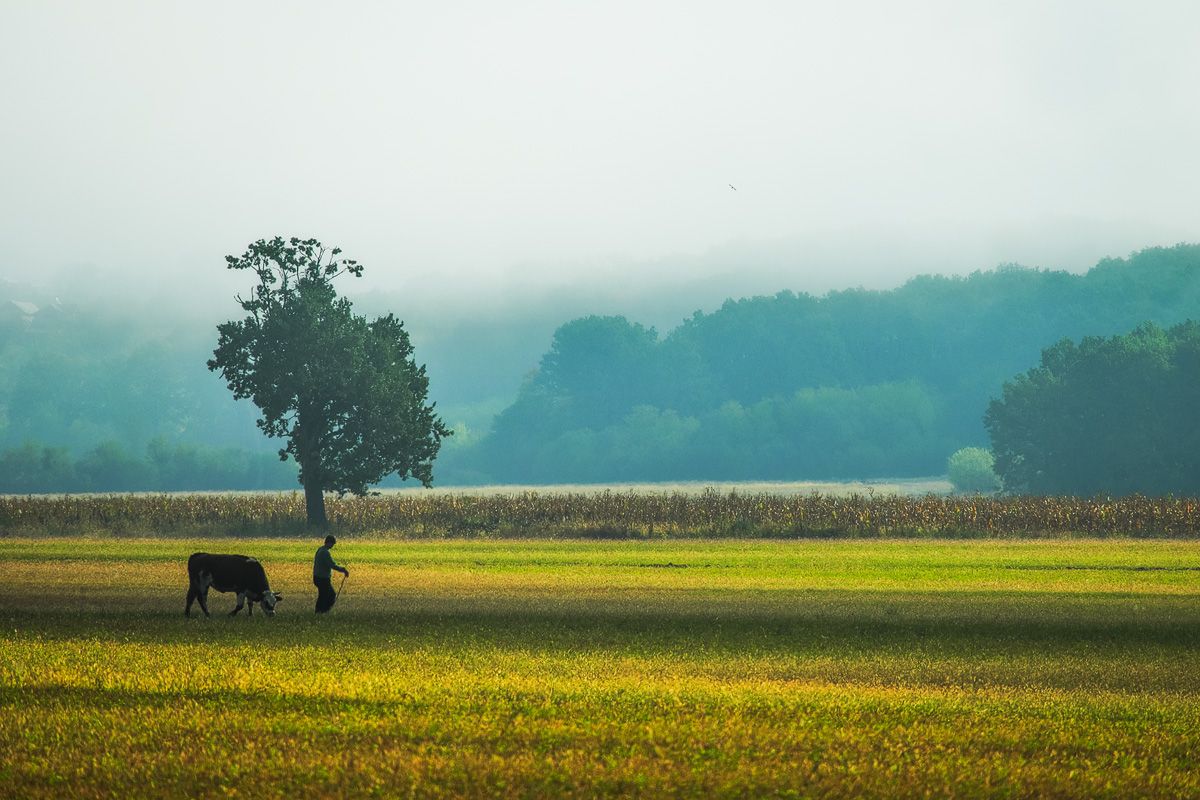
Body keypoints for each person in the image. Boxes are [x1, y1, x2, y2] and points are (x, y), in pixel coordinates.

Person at [313, 534, 349, 613]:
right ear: (328, 543)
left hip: (317, 577)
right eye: (332, 544)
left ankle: (318, 611)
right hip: (323, 579)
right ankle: (324, 611)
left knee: (322, 595)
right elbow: (332, 565)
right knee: (331, 595)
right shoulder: (325, 553)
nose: (332, 545)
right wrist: (343, 570)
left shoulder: (320, 549)